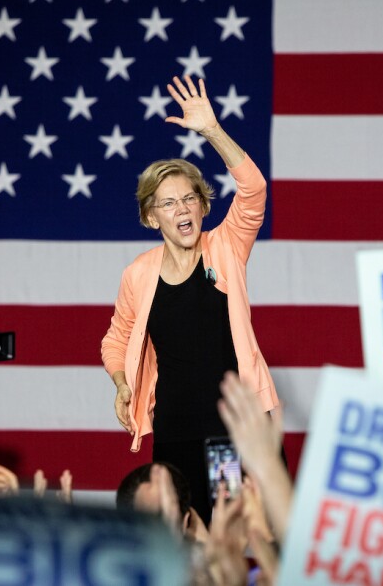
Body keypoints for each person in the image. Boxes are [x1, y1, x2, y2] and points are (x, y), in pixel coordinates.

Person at [101, 75, 279, 525]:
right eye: (168, 203)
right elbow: (116, 340)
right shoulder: (138, 274)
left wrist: (212, 131)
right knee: (179, 535)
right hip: (173, 432)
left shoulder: (227, 246)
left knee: (231, 532)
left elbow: (254, 191)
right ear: (149, 215)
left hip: (229, 431)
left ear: (203, 205)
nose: (181, 209)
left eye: (189, 199)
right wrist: (123, 384)